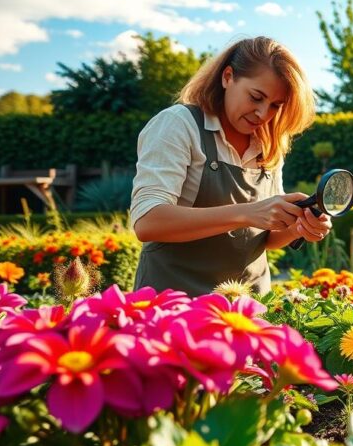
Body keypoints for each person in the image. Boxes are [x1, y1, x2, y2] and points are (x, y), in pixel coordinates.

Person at [130, 36, 330, 295]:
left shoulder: (268, 143)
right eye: (256, 97)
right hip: (175, 303)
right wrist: (246, 213)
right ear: (227, 77)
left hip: (247, 305)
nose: (263, 114)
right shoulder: (179, 124)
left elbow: (266, 238)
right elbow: (148, 221)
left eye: (275, 106)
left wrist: (297, 227)